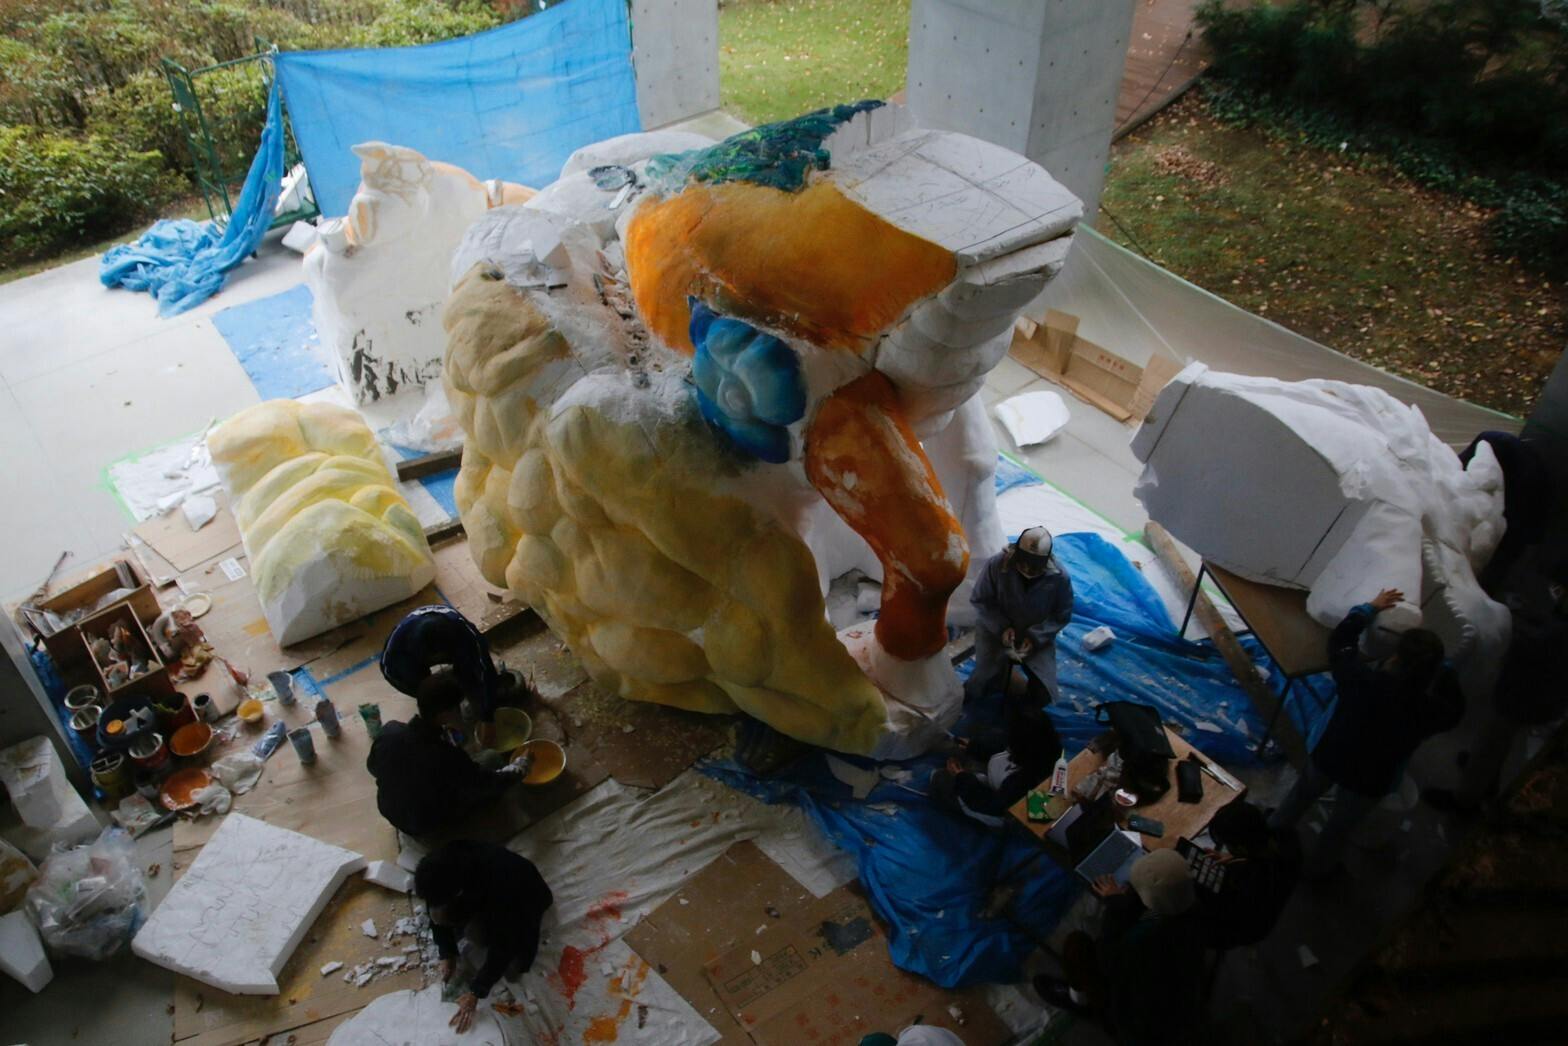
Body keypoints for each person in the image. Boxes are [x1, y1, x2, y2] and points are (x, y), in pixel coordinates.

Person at [1270, 588, 1464, 879]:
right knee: (1340, 827)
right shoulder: (1427, 712)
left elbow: (1340, 643)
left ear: (1395, 658)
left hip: (1332, 755)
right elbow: (1456, 711)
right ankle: (1318, 870)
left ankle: (1274, 830)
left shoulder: (1360, 682)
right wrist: (1445, 670)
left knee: (1302, 793)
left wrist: (1367, 609)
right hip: (1371, 779)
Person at [1425, 558, 1568, 812]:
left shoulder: (1558, 635)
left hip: (1528, 693)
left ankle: (1465, 800)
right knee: (1498, 739)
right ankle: (1487, 778)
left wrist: (1517, 633)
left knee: (1492, 742)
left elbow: (1540, 647)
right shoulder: (1560, 622)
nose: (1558, 592)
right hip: (1537, 691)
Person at [1033, 849, 1206, 1045]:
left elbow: (1106, 958)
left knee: (1076, 946)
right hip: (1182, 1005)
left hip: (1138, 1024)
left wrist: (1116, 904)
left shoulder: (1144, 941)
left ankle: (1082, 1002)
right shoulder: (1195, 911)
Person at [366, 673, 532, 837]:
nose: (460, 712)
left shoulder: (390, 731)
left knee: (438, 780)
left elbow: (372, 767)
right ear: (445, 714)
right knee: (491, 758)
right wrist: (521, 766)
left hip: (391, 811)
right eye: (457, 708)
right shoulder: (446, 756)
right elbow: (485, 782)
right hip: (424, 824)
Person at [415, 840, 554, 1034]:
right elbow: (435, 903)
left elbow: (504, 943)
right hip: (478, 893)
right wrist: (447, 952)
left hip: (525, 898)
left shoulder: (504, 886)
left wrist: (476, 991)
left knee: (516, 964)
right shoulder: (439, 868)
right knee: (442, 918)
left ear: (458, 893)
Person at [965, 526, 1073, 706]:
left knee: (1043, 691)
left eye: (1035, 565)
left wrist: (1036, 636)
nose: (1029, 569)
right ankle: (984, 687)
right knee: (982, 680)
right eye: (1025, 562)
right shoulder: (996, 565)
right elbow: (981, 600)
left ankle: (1024, 708)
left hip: (1036, 636)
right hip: (994, 630)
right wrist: (1001, 628)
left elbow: (1062, 615)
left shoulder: (1059, 578)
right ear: (1016, 554)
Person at [929, 702, 1062, 827]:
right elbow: (1002, 746)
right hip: (1006, 784)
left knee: (940, 779)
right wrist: (973, 746)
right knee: (983, 739)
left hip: (1000, 810)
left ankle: (994, 828)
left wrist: (961, 777)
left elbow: (990, 805)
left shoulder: (1022, 785)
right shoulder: (1046, 746)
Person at [1195, 800, 1301, 949]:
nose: (1226, 849)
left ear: (1242, 848)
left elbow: (1223, 908)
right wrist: (1238, 857)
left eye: (1228, 846)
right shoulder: (1285, 837)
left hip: (1242, 929)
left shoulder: (1252, 880)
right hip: (1260, 912)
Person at [381, 605, 501, 721]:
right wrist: (440, 711)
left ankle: (462, 683)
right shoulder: (398, 656)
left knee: (471, 670)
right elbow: (422, 694)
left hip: (448, 641)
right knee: (432, 699)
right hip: (408, 666)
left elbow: (486, 669)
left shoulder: (463, 631)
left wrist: (488, 717)